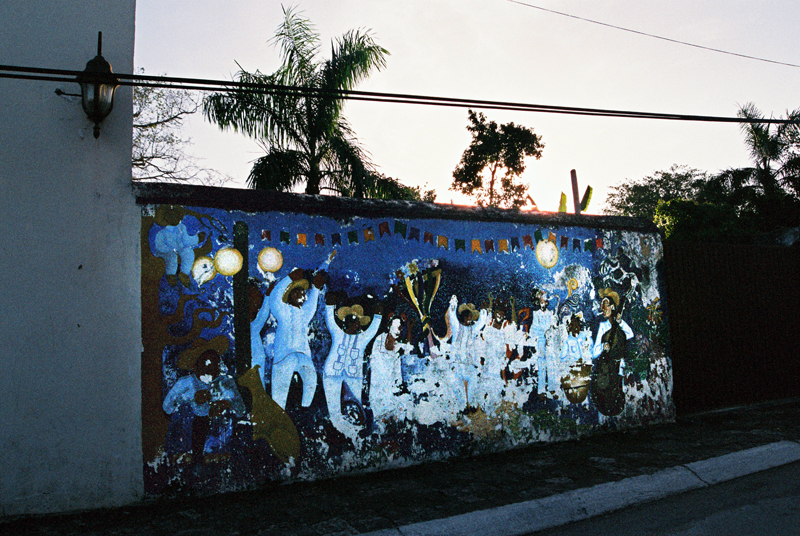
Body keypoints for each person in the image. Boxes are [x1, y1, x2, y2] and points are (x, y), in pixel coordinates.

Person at [269, 252, 334, 410]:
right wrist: (289, 278)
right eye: (296, 292)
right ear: (289, 296)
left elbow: (312, 301)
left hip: (303, 355)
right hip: (283, 356)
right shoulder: (282, 310)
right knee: (279, 394)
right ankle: (278, 413)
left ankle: (305, 408)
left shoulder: (304, 313)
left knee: (311, 379)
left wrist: (317, 288)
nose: (301, 294)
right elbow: (275, 296)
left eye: (302, 292)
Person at [163, 347, 245, 464]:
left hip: (217, 440)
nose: (209, 370)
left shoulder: (225, 382)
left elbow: (241, 409)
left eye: (214, 365)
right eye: (205, 365)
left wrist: (226, 403)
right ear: (195, 367)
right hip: (188, 437)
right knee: (187, 411)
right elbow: (167, 408)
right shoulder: (185, 383)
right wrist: (190, 399)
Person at [323, 295, 382, 440]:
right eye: (353, 320)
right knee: (334, 411)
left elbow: (373, 329)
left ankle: (354, 436)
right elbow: (330, 321)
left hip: (353, 376)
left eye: (358, 322)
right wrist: (329, 307)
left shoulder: (362, 339)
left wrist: (378, 315)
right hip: (331, 374)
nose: (356, 324)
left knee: (355, 408)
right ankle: (343, 435)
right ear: (346, 322)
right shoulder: (337, 333)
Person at [590, 288, 634, 417]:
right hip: (605, 366)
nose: (603, 308)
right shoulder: (603, 326)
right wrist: (604, 346)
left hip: (618, 365)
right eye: (602, 305)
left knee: (617, 388)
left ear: (613, 307)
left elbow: (630, 334)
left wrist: (620, 322)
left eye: (605, 305)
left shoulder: (619, 323)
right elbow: (595, 352)